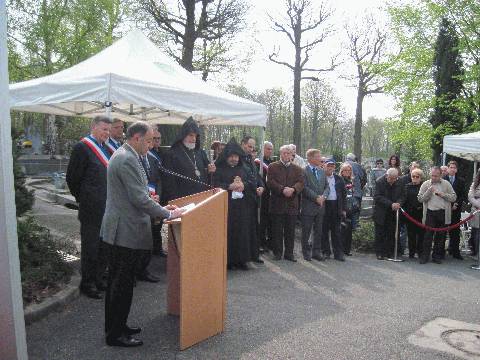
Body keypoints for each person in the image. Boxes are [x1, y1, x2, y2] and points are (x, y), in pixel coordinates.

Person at [102, 121, 184, 347]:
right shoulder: (127, 158)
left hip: (124, 228)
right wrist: (167, 213)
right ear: (136, 138)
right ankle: (115, 334)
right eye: (148, 140)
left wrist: (159, 206)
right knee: (121, 284)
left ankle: (118, 326)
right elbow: (138, 198)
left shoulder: (127, 154)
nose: (151, 145)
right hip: (124, 231)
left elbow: (138, 193)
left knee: (121, 283)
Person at [66, 115, 112, 299]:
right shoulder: (82, 147)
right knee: (91, 247)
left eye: (109, 130)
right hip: (91, 208)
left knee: (103, 247)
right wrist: (84, 197)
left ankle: (99, 279)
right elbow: (72, 178)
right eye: (104, 129)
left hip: (107, 207)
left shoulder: (105, 148)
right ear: (93, 127)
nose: (107, 133)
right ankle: (88, 283)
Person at [213, 140, 251, 270]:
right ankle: (228, 260)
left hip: (241, 207)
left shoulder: (244, 168)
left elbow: (251, 182)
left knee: (242, 232)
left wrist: (243, 185)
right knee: (227, 232)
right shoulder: (219, 169)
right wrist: (229, 186)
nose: (234, 159)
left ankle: (242, 260)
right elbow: (214, 184)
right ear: (226, 157)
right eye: (231, 156)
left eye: (236, 156)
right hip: (226, 206)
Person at [135, 126, 165, 283]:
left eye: (154, 140)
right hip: (142, 203)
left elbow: (158, 178)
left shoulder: (153, 158)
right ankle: (138, 270)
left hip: (153, 199)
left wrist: (157, 195)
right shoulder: (133, 158)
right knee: (140, 239)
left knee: (149, 237)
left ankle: (143, 269)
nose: (152, 143)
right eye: (150, 140)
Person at [163, 117, 216, 201]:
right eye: (191, 135)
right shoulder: (171, 154)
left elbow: (208, 173)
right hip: (182, 199)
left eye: (195, 136)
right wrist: (176, 201)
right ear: (183, 135)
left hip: (201, 197)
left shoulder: (200, 153)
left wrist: (210, 170)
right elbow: (169, 183)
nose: (194, 139)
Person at [267, 145, 305, 261]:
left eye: (288, 153)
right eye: (284, 153)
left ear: (292, 155)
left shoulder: (298, 169)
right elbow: (270, 182)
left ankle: (289, 253)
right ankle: (277, 253)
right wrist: (282, 189)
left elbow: (301, 183)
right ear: (280, 154)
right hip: (277, 203)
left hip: (292, 204)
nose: (286, 155)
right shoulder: (272, 166)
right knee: (277, 230)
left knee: (290, 230)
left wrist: (293, 189)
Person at [417, 166, 456, 264]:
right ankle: (425, 256)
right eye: (432, 175)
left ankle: (436, 256)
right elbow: (420, 199)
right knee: (427, 236)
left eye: (436, 176)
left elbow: (454, 197)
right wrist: (429, 192)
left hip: (442, 212)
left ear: (441, 175)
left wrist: (443, 194)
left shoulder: (446, 184)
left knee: (441, 236)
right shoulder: (426, 184)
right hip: (430, 212)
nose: (433, 177)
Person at [300, 149, 329, 261]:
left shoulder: (322, 171)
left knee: (318, 231)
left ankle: (316, 251)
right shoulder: (304, 171)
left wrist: (324, 197)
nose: (320, 158)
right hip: (308, 206)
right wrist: (316, 197)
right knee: (306, 231)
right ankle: (306, 252)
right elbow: (304, 187)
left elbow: (327, 186)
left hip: (320, 206)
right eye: (318, 156)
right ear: (310, 158)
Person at [241, 136, 265, 264]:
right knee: (244, 229)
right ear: (242, 144)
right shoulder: (237, 159)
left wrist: (261, 186)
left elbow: (257, 176)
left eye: (252, 147)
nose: (251, 149)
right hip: (242, 200)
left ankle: (253, 254)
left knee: (253, 228)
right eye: (249, 146)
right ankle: (244, 257)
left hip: (253, 199)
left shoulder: (250, 159)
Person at [373, 168, 403, 260]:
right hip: (381, 211)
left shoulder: (400, 182)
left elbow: (403, 195)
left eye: (395, 179)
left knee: (391, 232)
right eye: (391, 178)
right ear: (387, 176)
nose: (393, 181)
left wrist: (399, 203)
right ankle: (379, 252)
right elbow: (377, 197)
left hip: (394, 212)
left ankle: (390, 252)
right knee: (380, 233)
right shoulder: (379, 182)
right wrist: (391, 204)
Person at [321, 159, 347, 261]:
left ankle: (338, 253)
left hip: (336, 206)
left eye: (332, 166)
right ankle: (326, 251)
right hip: (325, 205)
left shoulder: (339, 179)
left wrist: (344, 209)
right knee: (324, 230)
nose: (330, 168)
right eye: (328, 166)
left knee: (336, 231)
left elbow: (344, 195)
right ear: (324, 166)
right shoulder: (321, 177)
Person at [148, 126, 167, 257]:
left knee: (157, 224)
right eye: (154, 139)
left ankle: (157, 249)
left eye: (159, 139)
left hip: (158, 192)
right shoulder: (145, 154)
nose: (157, 141)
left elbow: (162, 176)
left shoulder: (162, 154)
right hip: (147, 192)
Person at [444, 160, 466, 260]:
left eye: (454, 168)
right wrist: (449, 204)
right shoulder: (443, 179)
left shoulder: (461, 181)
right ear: (447, 169)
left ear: (456, 170)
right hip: (445, 208)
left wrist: (456, 203)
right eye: (451, 167)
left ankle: (455, 252)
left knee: (455, 231)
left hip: (456, 209)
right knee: (442, 231)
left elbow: (462, 195)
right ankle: (440, 251)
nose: (452, 169)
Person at [255, 141, 274, 252]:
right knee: (262, 220)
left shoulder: (272, 162)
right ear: (262, 149)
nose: (270, 151)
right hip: (263, 194)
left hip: (272, 195)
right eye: (268, 149)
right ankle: (261, 242)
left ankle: (270, 242)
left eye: (271, 149)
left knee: (271, 220)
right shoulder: (258, 162)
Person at [402, 168, 425, 259]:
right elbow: (404, 199)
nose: (415, 178)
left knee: (421, 234)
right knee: (411, 234)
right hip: (410, 214)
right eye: (413, 176)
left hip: (420, 213)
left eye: (417, 177)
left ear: (421, 178)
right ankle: (411, 252)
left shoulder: (423, 186)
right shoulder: (407, 186)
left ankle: (420, 252)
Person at [339, 163, 358, 257]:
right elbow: (341, 196)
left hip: (351, 208)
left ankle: (347, 249)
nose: (347, 172)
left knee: (349, 229)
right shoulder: (340, 180)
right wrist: (343, 209)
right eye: (345, 170)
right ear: (341, 171)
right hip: (343, 208)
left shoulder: (350, 181)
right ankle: (341, 249)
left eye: (349, 170)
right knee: (343, 229)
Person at [345, 153, 366, 230]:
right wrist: (360, 187)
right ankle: (355, 226)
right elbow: (363, 178)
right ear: (354, 159)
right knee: (356, 210)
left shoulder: (342, 165)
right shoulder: (357, 165)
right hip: (356, 191)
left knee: (346, 211)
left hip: (345, 193)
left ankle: (347, 227)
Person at [468, 171, 480, 257]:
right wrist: (478, 205)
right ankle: (476, 252)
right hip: (476, 210)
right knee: (476, 232)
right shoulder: (474, 184)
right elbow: (470, 197)